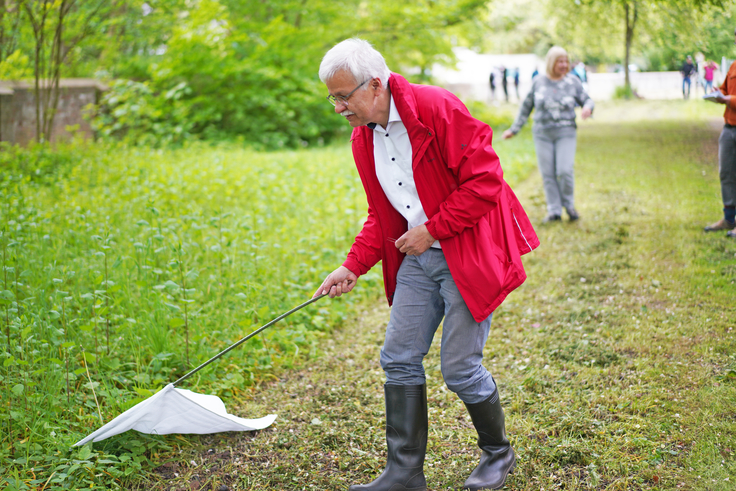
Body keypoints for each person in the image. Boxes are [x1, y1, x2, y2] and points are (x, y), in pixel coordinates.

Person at [315, 38, 540, 491]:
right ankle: (404, 473)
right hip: (418, 257)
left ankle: (498, 452)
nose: (338, 107)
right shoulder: (363, 139)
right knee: (397, 357)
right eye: (332, 97)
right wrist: (352, 266)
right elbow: (382, 215)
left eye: (343, 96)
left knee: (458, 368)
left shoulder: (437, 108)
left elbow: (486, 180)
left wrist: (433, 229)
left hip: (466, 251)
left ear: (375, 85)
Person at [502, 46, 594, 223]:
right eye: (560, 61)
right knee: (548, 173)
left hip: (565, 132)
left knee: (564, 170)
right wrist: (514, 129)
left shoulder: (573, 81)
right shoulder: (538, 82)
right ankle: (554, 211)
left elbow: (587, 99)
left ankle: (569, 206)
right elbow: (526, 107)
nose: (564, 64)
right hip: (542, 133)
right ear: (551, 62)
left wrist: (588, 107)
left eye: (566, 61)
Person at [704, 29, 736, 237]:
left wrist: (728, 100)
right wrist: (719, 93)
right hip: (729, 128)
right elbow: (726, 89)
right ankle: (728, 218)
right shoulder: (734, 65)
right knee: (726, 173)